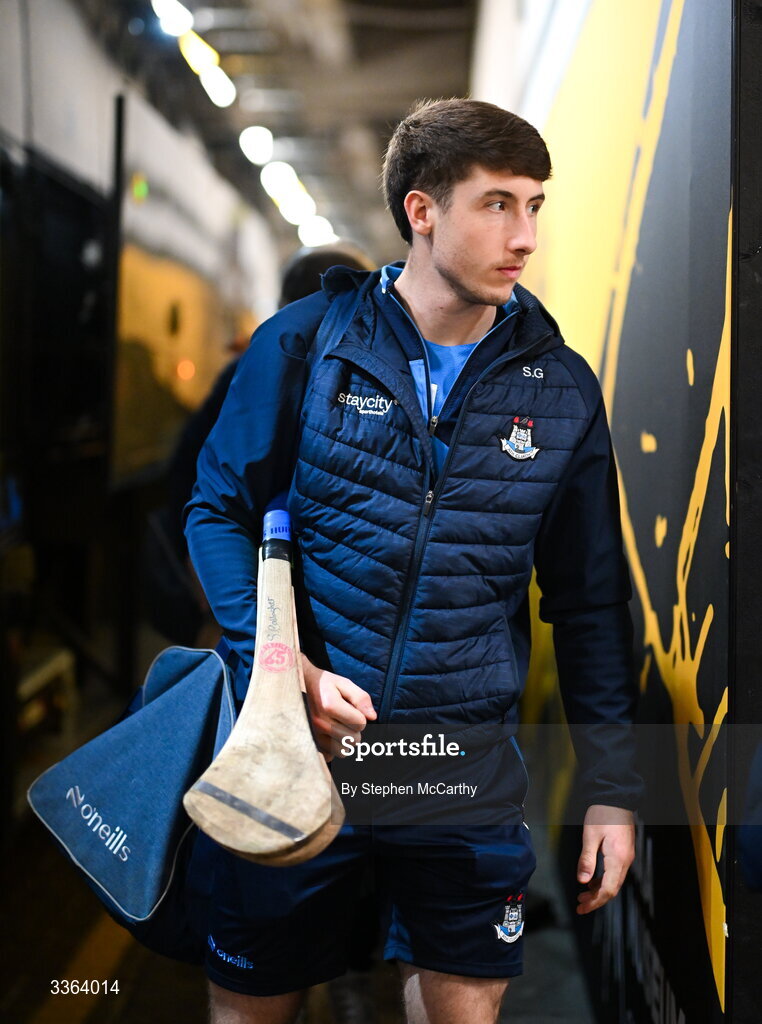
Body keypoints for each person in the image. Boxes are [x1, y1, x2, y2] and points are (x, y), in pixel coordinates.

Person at [185, 98, 642, 1024]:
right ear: (422, 212)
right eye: (497, 205)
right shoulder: (308, 345)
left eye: (535, 207)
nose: (525, 237)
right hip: (300, 749)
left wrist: (613, 792)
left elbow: (590, 605)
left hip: (458, 770)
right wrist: (282, 671)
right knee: (253, 1011)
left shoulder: (559, 389)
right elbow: (217, 514)